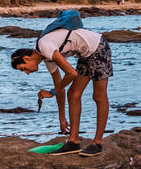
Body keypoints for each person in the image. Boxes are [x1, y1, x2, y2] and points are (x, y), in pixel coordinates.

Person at [10, 26, 112, 156]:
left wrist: (52, 92)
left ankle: (97, 143)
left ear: (26, 59)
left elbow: (71, 74)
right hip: (85, 54)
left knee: (98, 96)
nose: (27, 72)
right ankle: (73, 142)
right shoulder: (46, 57)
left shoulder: (45, 47)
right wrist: (62, 118)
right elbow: (60, 87)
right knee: (73, 93)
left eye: (23, 68)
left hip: (98, 47)